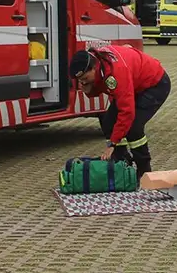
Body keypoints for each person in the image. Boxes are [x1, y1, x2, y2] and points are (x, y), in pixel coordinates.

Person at [69, 43, 171, 177]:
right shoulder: (98, 64)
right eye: (80, 81)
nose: (83, 83)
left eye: (85, 79)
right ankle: (122, 162)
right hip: (133, 86)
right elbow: (101, 87)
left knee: (133, 128)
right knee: (108, 122)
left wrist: (112, 144)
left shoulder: (115, 73)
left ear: (94, 67)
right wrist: (88, 89)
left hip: (155, 84)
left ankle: (144, 170)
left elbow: (126, 112)